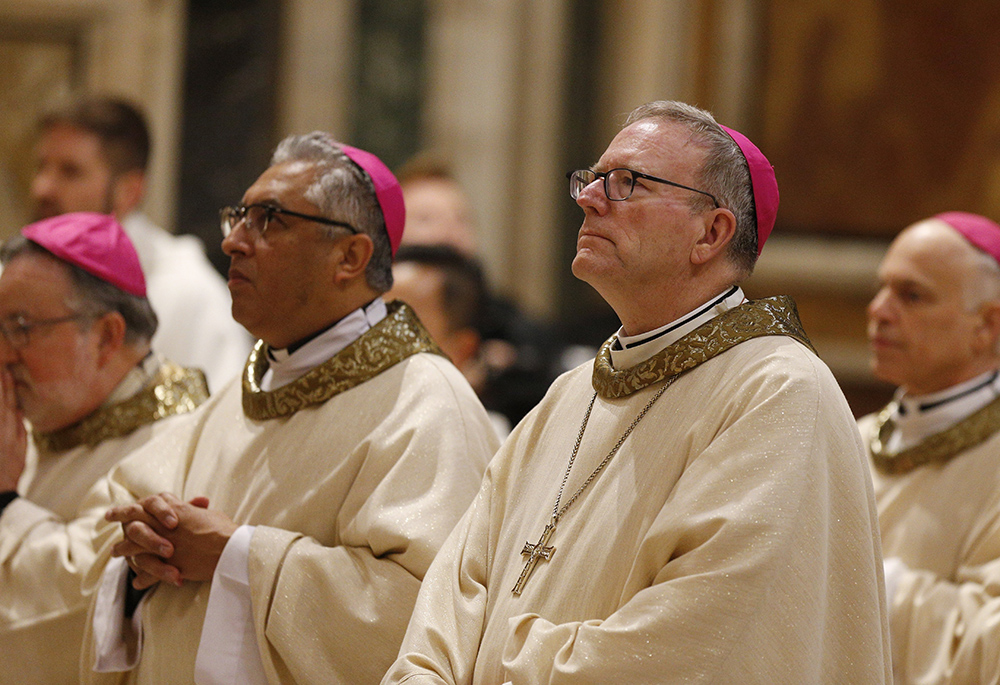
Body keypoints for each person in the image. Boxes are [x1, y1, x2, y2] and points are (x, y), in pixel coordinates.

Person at [383, 100, 891, 684]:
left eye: (627, 183)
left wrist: (501, 657)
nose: (589, 198)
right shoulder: (570, 395)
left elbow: (699, 636)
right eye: (593, 179)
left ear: (711, 232)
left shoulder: (778, 391)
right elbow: (458, 582)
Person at [80, 133, 500, 684]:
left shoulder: (426, 406)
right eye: (241, 216)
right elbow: (117, 516)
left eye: (270, 220)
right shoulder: (244, 390)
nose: (234, 241)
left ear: (349, 256)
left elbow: (429, 617)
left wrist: (236, 555)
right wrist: (142, 550)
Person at [0, 212, 209, 683]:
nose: (3, 353)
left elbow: (79, 609)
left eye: (20, 327)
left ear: (106, 336)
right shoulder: (42, 416)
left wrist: (5, 502)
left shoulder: (175, 443)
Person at [862, 211, 1000, 684]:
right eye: (883, 288)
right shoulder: (843, 436)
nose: (878, 310)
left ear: (987, 325)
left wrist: (868, 583)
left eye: (911, 295)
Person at [31, 95, 251, 390]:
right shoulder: (14, 275)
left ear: (128, 192)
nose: (41, 188)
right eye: (41, 167)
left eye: (70, 172)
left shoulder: (190, 296)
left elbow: (221, 426)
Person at [397, 154, 562, 428]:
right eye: (426, 219)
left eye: (461, 219)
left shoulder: (513, 326)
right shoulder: (369, 316)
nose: (449, 231)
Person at [387, 243, 511, 438]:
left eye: (400, 323)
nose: (376, 336)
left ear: (461, 350)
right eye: (373, 316)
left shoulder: (481, 437)